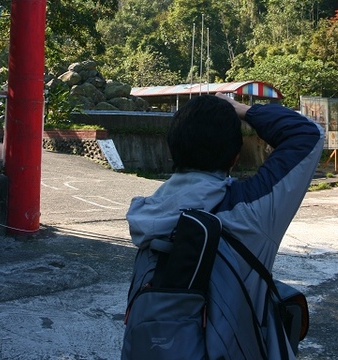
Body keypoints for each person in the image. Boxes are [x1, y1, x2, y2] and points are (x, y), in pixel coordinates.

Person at [122, 93, 324, 359]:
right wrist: (241, 109)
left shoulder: (148, 212)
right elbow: (307, 133)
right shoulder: (249, 211)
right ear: (235, 158)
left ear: (171, 150)